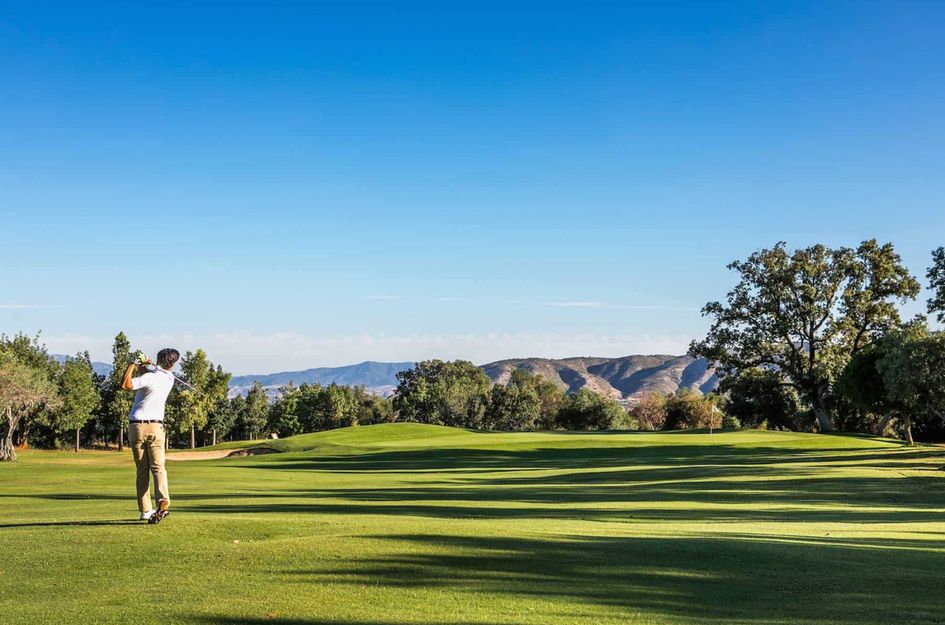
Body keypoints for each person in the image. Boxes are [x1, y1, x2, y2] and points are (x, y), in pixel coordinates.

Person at [121, 347, 180, 524]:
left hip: (137, 426)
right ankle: (163, 501)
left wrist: (132, 364)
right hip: (156, 428)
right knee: (158, 468)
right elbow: (150, 378)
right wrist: (145, 365)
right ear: (173, 363)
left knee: (142, 470)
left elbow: (126, 385)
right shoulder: (169, 378)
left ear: (159, 359)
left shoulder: (151, 376)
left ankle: (146, 510)